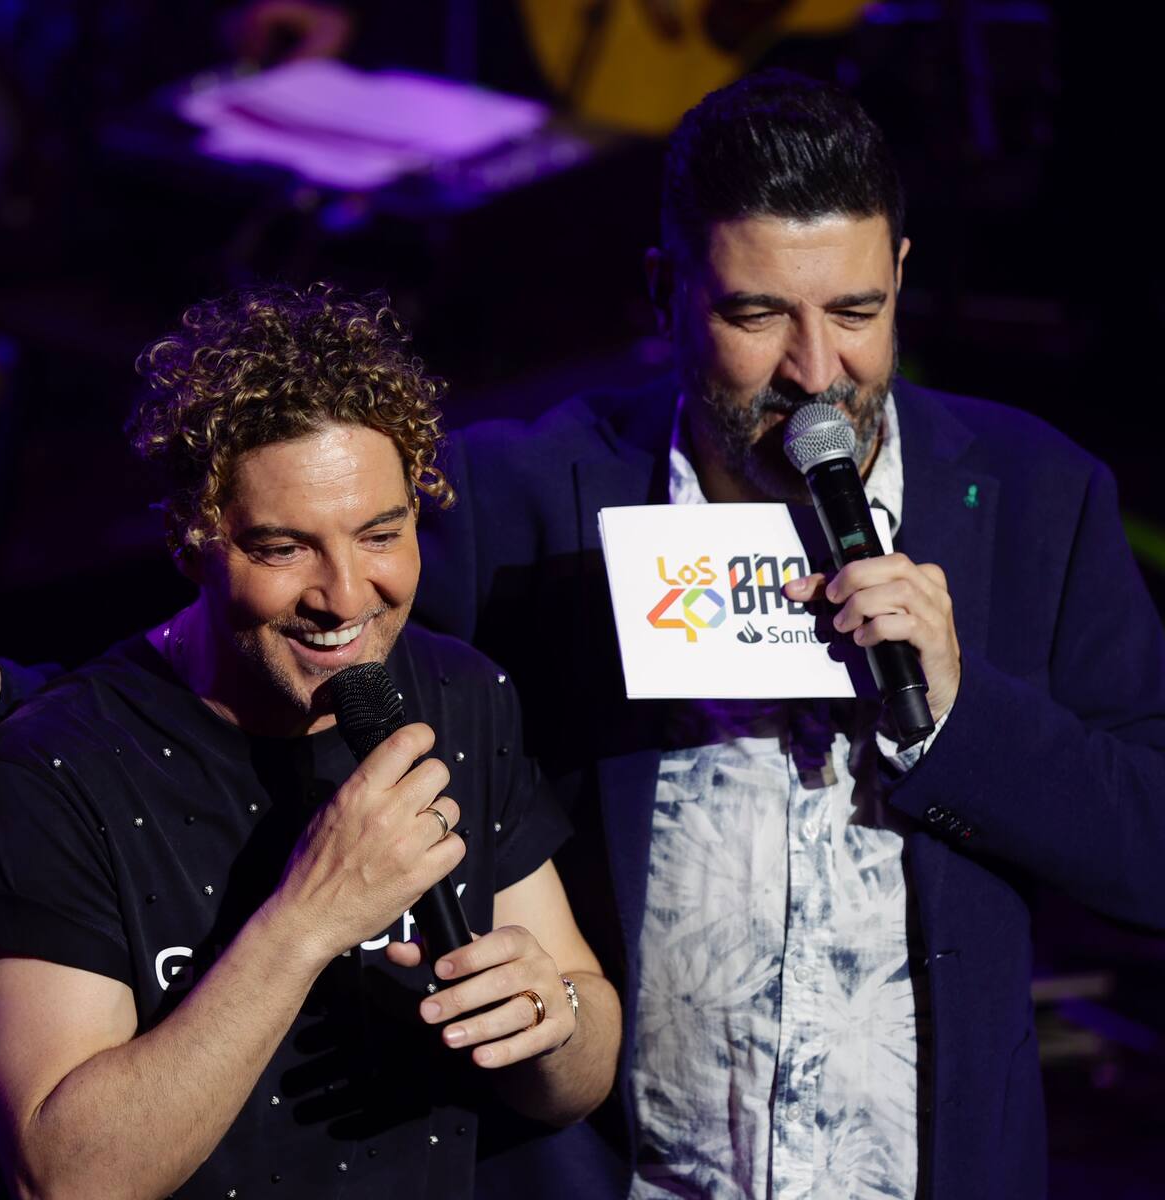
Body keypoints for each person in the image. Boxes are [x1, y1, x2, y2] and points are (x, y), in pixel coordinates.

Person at [411, 70, 1165, 1199]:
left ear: (901, 273)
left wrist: (963, 717)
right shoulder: (514, 502)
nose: (816, 375)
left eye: (856, 313)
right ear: (665, 292)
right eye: (757, 315)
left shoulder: (1038, 498)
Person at [0, 284, 620, 1200]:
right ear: (191, 540)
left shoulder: (463, 694)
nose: (346, 596)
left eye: (381, 534)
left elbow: (584, 1055)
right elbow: (64, 1180)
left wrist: (551, 1023)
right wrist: (310, 916)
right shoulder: (55, 767)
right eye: (284, 549)